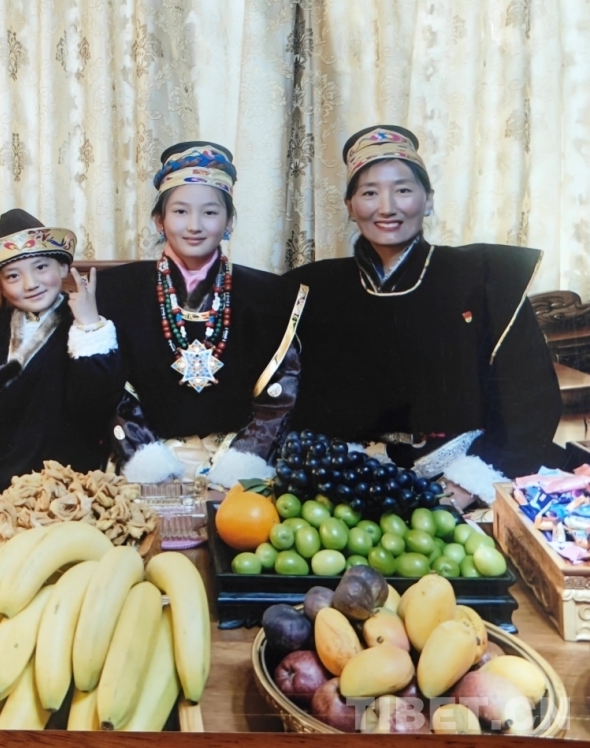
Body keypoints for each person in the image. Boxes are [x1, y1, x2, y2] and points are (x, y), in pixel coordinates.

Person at [285, 125, 564, 500]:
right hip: (352, 482)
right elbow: (291, 403)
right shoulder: (314, 288)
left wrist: (468, 484)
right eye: (369, 192)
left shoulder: (486, 278)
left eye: (403, 190)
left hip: (469, 476)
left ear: (428, 200)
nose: (387, 207)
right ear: (350, 207)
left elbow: (531, 401)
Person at [95, 142, 308, 488]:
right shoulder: (113, 291)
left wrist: (241, 464)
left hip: (237, 468)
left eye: (210, 212)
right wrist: (147, 461)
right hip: (142, 463)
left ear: (229, 222)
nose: (194, 225)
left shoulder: (270, 295)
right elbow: (107, 389)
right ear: (159, 220)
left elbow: (281, 393)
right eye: (180, 211)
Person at [0, 209, 123, 512]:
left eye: (41, 267)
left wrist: (88, 325)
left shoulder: (87, 326)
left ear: (63, 266)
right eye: (13, 276)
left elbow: (95, 408)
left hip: (57, 467)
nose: (30, 284)